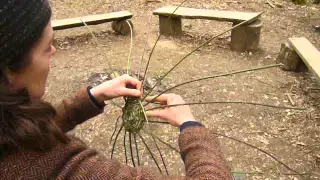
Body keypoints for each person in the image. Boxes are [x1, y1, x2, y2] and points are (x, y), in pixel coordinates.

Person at [0, 0, 232, 179]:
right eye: (46, 46)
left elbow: (27, 136)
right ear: (8, 69)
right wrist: (190, 126)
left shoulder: (10, 136)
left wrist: (90, 98)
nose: (54, 51)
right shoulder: (60, 169)